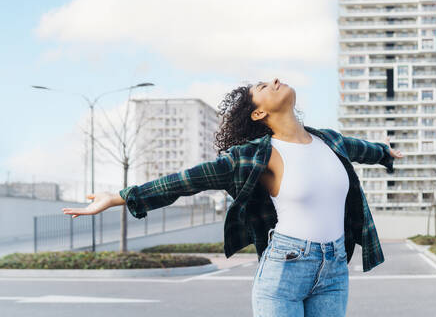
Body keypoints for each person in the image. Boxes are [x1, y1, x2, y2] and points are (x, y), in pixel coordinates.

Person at [62, 78, 404, 316]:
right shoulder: (253, 155)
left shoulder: (330, 141)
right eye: (262, 87)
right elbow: (185, 181)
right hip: (285, 268)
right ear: (258, 114)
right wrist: (120, 196)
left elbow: (366, 150)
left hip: (334, 269)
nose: (273, 80)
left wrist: (386, 154)